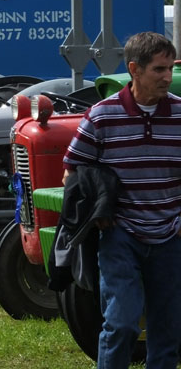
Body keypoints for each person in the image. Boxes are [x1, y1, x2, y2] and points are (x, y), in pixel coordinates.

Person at [63, 31, 181, 368]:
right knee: (122, 322)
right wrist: (93, 212)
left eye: (170, 68)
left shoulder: (179, 114)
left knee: (168, 328)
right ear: (134, 69)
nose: (167, 77)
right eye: (158, 69)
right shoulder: (102, 116)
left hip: (171, 235)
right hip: (120, 235)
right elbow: (72, 171)